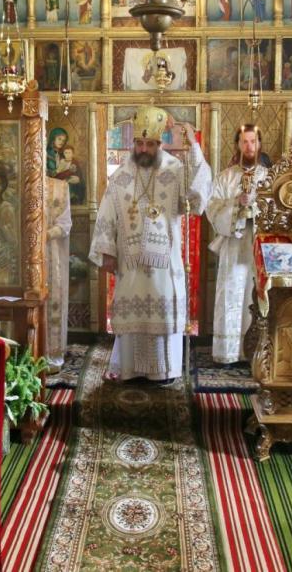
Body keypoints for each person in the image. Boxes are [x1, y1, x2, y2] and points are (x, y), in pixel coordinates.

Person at [89, 106, 211, 383]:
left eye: (150, 144)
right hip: (129, 263)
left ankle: (164, 371)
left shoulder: (175, 169)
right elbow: (107, 212)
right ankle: (131, 370)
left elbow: (197, 195)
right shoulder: (121, 175)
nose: (144, 149)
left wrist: (193, 145)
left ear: (160, 143)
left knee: (162, 313)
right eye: (139, 143)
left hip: (164, 263)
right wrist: (106, 251)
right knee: (133, 318)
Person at [206, 125, 268, 365]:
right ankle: (230, 350)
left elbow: (277, 210)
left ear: (259, 144)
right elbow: (212, 209)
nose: (249, 147)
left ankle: (258, 350)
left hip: (260, 246)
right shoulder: (225, 177)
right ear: (237, 145)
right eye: (244, 142)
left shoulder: (268, 177)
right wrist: (236, 204)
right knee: (232, 294)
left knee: (258, 295)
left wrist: (255, 208)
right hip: (233, 245)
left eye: (253, 141)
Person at [46, 177, 72, 370]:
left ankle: (52, 353)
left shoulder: (59, 187)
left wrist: (44, 234)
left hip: (51, 253)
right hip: (21, 255)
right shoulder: (17, 184)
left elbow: (65, 224)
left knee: (52, 299)